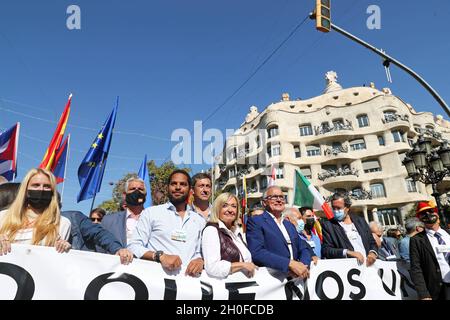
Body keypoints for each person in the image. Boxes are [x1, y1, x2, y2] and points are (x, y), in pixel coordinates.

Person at [128, 170, 205, 277]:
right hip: (156, 283)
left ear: (190, 190)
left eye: (183, 184)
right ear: (167, 188)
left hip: (188, 285)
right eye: (174, 184)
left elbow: (198, 252)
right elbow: (134, 246)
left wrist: (200, 260)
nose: (178, 187)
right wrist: (159, 256)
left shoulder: (199, 220)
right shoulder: (151, 213)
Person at [0, 168, 71, 255]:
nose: (41, 189)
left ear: (53, 191)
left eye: (47, 186)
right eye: (36, 185)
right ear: (25, 190)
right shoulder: (3, 216)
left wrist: (64, 248)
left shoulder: (62, 223)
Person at [246, 186, 313, 279]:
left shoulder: (289, 224)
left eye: (281, 197)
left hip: (297, 278)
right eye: (274, 197)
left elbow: (303, 248)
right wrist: (289, 264)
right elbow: (257, 252)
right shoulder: (256, 221)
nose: (279, 200)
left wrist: (302, 265)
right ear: (264, 202)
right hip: (273, 280)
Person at [201, 192, 257, 278]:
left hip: (242, 284)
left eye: (234, 206)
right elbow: (212, 267)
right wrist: (242, 265)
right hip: (225, 287)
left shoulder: (237, 232)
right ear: (217, 209)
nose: (230, 210)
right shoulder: (211, 230)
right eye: (225, 206)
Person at [321, 192, 378, 266]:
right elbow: (326, 250)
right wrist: (347, 252)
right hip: (348, 269)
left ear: (347, 208)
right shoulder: (328, 226)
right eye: (333, 208)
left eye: (338, 208)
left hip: (368, 266)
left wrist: (373, 252)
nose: (335, 211)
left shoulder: (361, 221)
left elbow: (372, 242)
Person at [410, 201, 450, 300]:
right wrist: (423, 294)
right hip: (439, 289)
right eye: (424, 213)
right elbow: (416, 268)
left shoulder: (448, 233)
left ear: (437, 214)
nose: (428, 215)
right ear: (420, 219)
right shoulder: (417, 240)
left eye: (430, 211)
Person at [101, 177, 147, 248]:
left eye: (140, 189)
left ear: (145, 195)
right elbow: (101, 246)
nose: (137, 192)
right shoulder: (109, 221)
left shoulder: (154, 219)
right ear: (124, 195)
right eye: (132, 189)